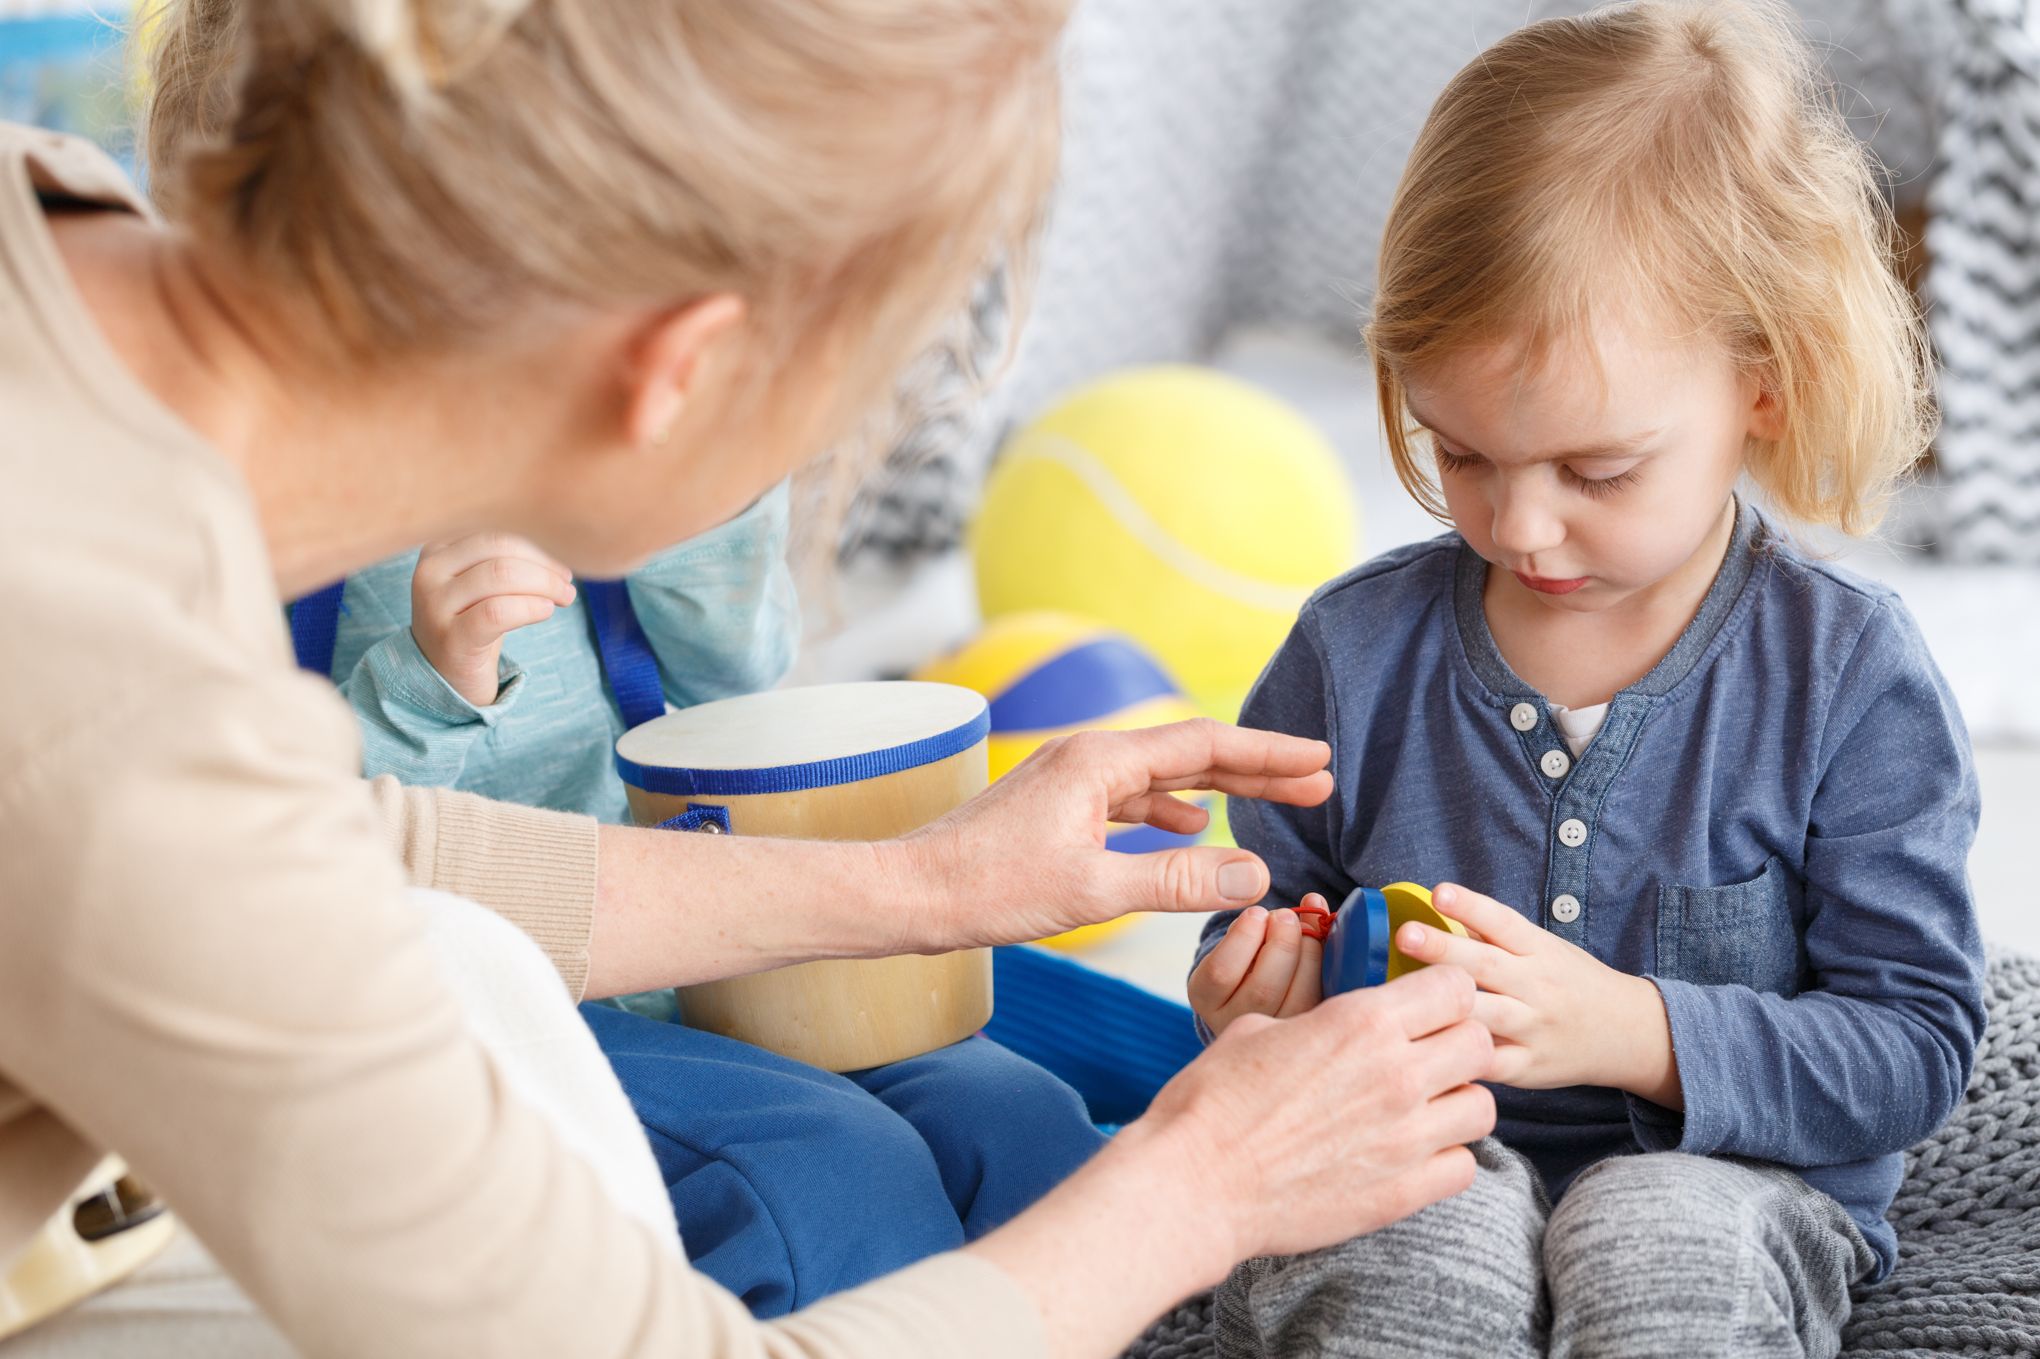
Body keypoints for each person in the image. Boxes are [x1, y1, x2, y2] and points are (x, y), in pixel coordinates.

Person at [0, 2, 1500, 1357]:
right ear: (681, 369)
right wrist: (1207, 1182)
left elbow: (351, 868)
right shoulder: (116, 702)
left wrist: (923, 881)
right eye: (853, 384)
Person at [1187, 4, 1986, 1356]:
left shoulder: (1849, 677)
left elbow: (1908, 1047)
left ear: (1767, 384)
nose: (1519, 526)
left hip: (1739, 1181)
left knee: (1657, 1229)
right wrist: (1248, 996)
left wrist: (1633, 1029)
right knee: (1410, 1244)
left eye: (1597, 471)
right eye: (1464, 453)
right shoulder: (1348, 657)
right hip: (1411, 1148)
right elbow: (1268, 923)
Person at [298, 481, 1107, 1315]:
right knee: (830, 1182)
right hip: (475, 986)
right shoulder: (269, 516)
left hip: (694, 927)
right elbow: (281, 865)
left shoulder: (593, 432)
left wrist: (708, 498)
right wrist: (431, 679)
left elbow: (738, 677)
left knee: (1021, 1124)